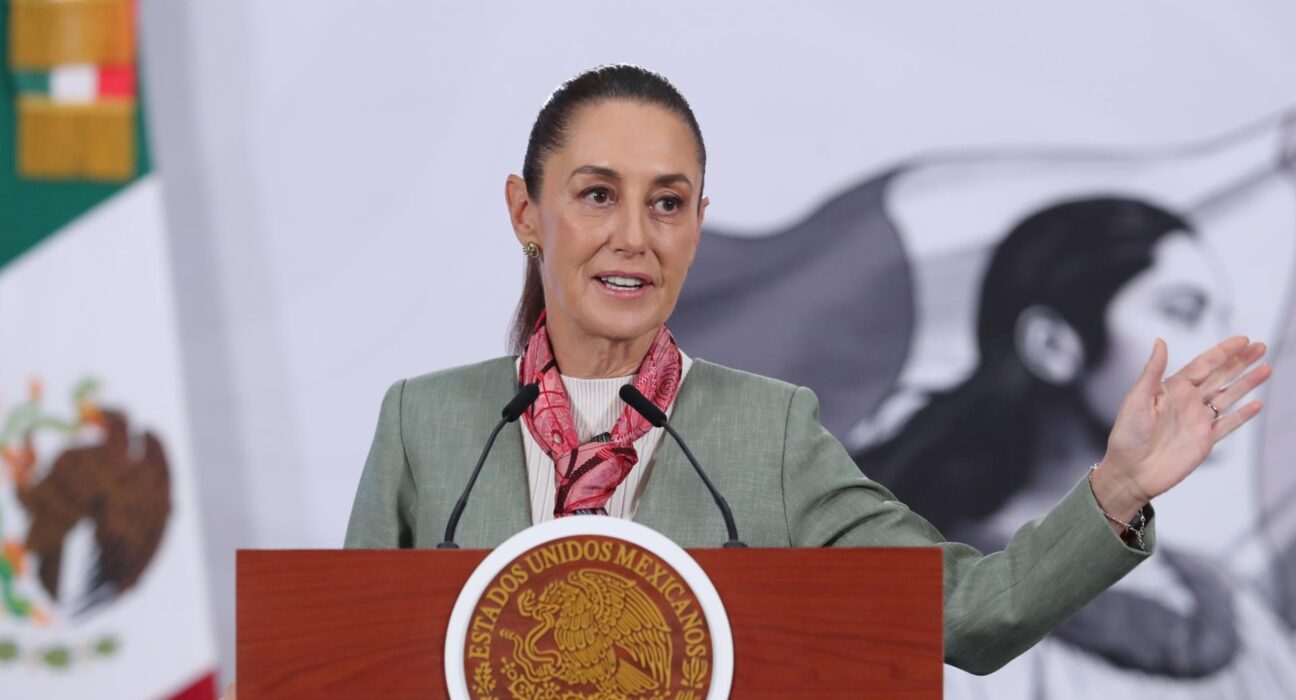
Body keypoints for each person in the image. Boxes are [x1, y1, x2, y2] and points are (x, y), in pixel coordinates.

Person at [210, 65, 1262, 700]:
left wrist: (1118, 489)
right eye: (595, 195)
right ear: (527, 213)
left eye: (668, 203)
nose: (634, 235)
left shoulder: (773, 433)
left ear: (698, 226)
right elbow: (342, 677)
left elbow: (976, 617)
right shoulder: (426, 424)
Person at [857, 198, 1296, 696]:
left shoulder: (1234, 608)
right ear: (1052, 345)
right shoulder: (934, 608)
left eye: (1223, 320)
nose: (1225, 354)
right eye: (1182, 312)